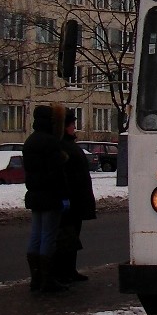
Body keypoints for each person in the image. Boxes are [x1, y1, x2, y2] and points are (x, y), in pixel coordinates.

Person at [22, 104, 69, 293]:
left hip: (35, 194)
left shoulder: (30, 141)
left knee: (36, 235)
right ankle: (47, 280)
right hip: (51, 196)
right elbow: (57, 173)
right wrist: (64, 196)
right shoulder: (50, 142)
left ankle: (36, 278)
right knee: (48, 236)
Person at [55, 109, 97, 283]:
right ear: (65, 127)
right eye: (72, 124)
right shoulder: (64, 146)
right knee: (68, 237)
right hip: (72, 198)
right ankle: (65, 271)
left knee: (72, 236)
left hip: (76, 197)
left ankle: (69, 270)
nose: (74, 127)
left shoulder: (68, 145)